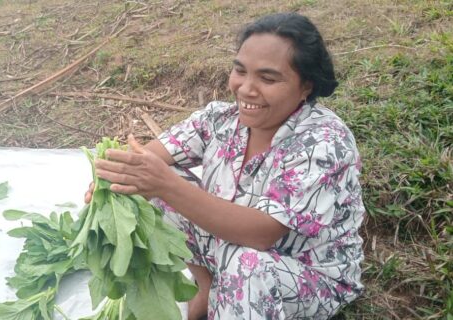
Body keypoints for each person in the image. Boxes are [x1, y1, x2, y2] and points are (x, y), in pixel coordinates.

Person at [85, 12, 364, 320]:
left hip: (303, 273)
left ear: (305, 86)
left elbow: (262, 235)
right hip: (226, 248)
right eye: (240, 71)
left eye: (268, 79)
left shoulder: (323, 143)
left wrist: (165, 183)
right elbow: (149, 156)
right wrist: (116, 177)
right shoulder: (220, 119)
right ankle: (207, 286)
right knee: (149, 186)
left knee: (244, 260)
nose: (246, 88)